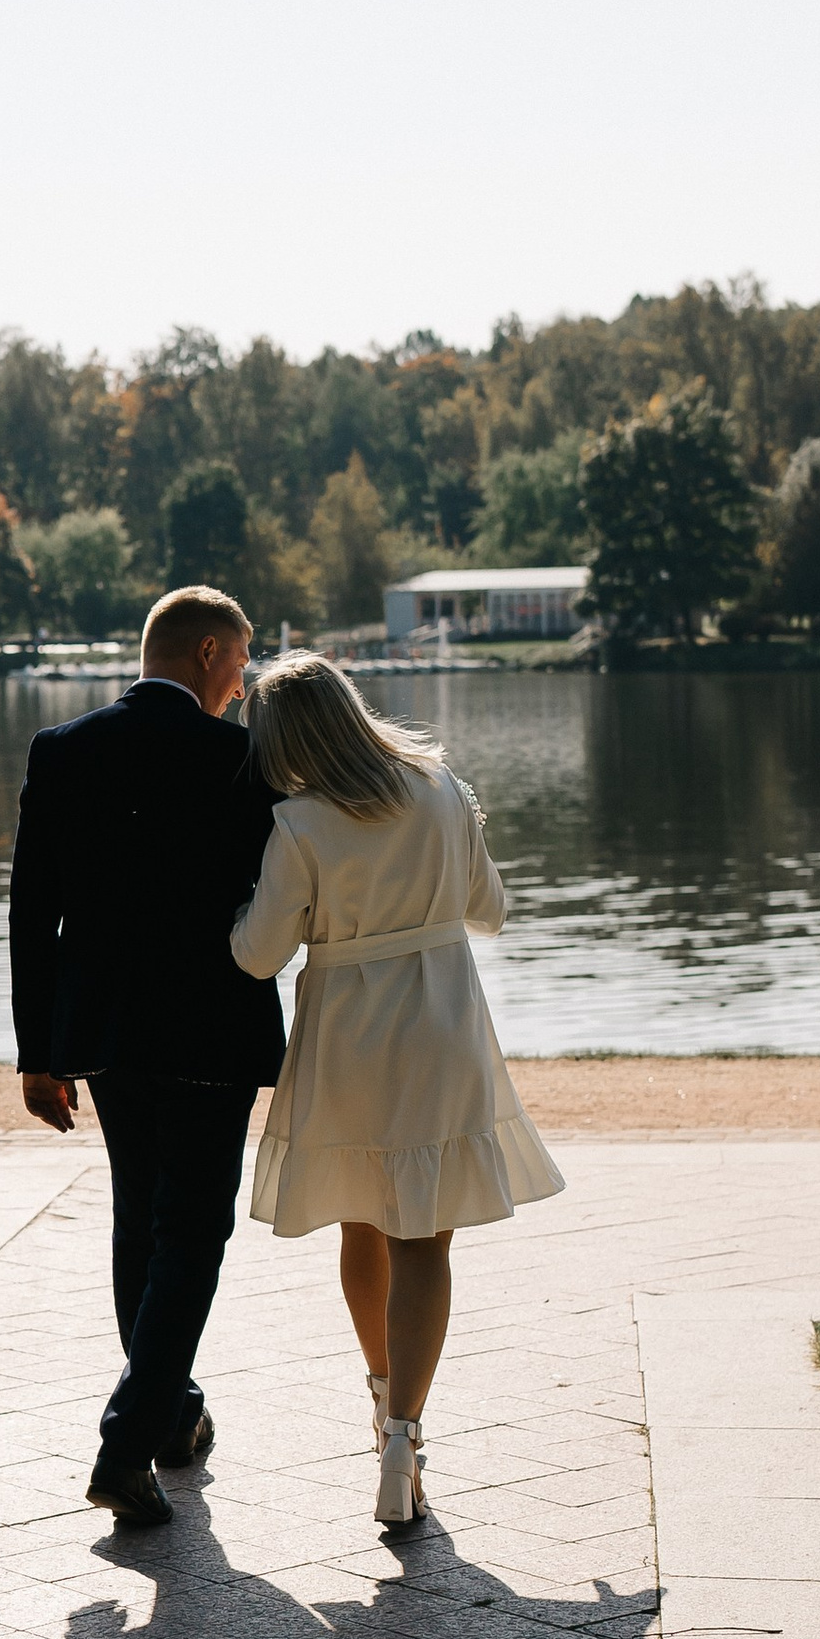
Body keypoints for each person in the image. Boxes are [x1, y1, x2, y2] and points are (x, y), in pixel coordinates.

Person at [229, 651, 562, 1532]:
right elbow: (490, 910)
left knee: (362, 1220)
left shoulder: (297, 823)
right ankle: (406, 1435)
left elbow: (258, 955)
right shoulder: (443, 790)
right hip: (441, 1026)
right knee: (427, 1241)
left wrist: (236, 913)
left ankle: (380, 1399)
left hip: (347, 1034)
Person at [9, 584, 285, 1529]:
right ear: (208, 652)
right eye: (241, 662)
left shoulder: (63, 750)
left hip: (107, 1036)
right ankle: (127, 1445)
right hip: (210, 1028)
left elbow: (29, 916)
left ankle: (172, 1416)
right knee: (194, 1232)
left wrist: (37, 1055)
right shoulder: (243, 759)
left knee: (142, 1216)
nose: (243, 684)